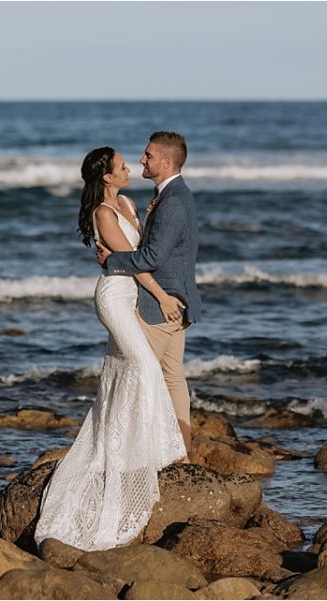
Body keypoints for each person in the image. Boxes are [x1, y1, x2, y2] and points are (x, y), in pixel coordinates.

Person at [33, 146, 187, 552]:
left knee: (128, 373)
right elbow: (131, 263)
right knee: (143, 367)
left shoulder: (128, 202)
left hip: (132, 297)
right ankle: (145, 452)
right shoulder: (104, 213)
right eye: (122, 167)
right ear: (106, 177)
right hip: (115, 298)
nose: (130, 168)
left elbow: (141, 251)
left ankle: (135, 445)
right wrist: (164, 297)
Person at [97, 131, 200, 457]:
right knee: (172, 377)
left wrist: (113, 260)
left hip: (162, 305)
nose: (142, 160)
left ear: (166, 162)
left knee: (139, 379)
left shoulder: (172, 202)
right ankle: (181, 452)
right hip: (175, 302)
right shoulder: (174, 195)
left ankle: (135, 454)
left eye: (148, 155)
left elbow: (151, 258)